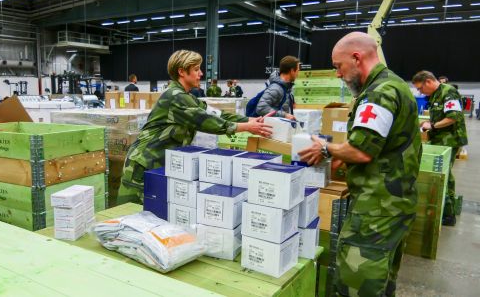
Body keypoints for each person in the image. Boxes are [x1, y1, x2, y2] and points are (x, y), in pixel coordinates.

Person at [298, 32, 421, 296]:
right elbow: (378, 144)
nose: (338, 75)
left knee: (358, 280)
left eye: (338, 66)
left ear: (356, 58)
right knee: (382, 277)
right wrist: (342, 155)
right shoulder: (393, 85)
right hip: (395, 201)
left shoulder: (379, 93)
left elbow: (361, 151)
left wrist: (325, 147)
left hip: (378, 207)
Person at [119, 50, 272, 204]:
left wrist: (252, 119)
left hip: (158, 165)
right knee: (134, 216)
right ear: (181, 72)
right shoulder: (175, 97)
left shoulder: (188, 97)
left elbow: (218, 115)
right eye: (196, 69)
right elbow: (208, 122)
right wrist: (247, 127)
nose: (201, 73)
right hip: (142, 166)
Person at [413, 70, 467, 226]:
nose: (420, 92)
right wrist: (427, 124)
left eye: (420, 88)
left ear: (428, 82)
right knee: (444, 174)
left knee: (444, 174)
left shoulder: (448, 92)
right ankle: (447, 211)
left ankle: (448, 214)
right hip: (440, 139)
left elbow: (453, 116)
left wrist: (433, 125)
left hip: (450, 140)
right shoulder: (435, 94)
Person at [255, 55, 299, 120]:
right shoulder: (276, 88)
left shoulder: (286, 87)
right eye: (298, 70)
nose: (298, 73)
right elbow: (261, 108)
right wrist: (284, 115)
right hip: (274, 128)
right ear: (292, 71)